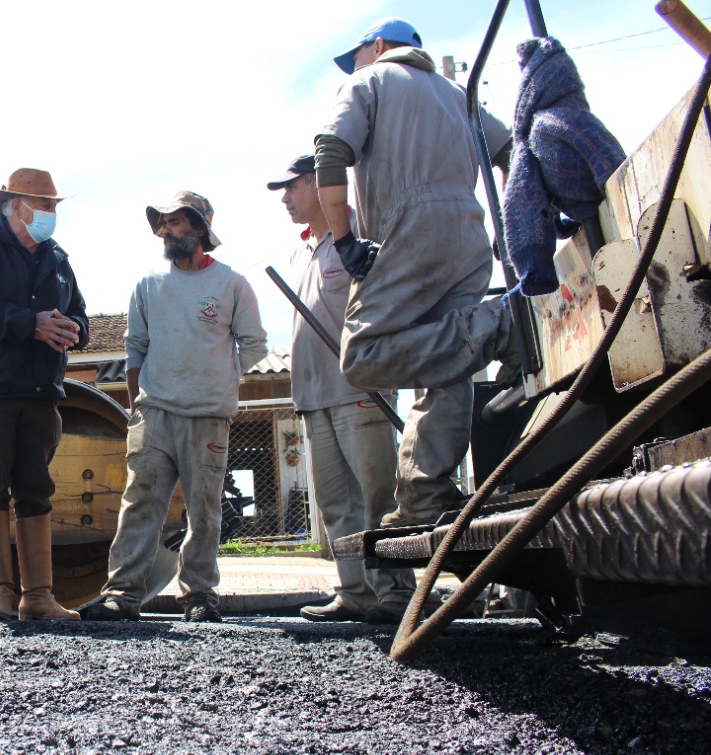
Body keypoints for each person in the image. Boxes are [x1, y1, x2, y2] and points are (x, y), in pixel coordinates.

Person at [315, 17, 515, 528]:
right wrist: (512, 226)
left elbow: (332, 151)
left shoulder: (369, 81)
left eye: (357, 53)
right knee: (449, 367)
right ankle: (425, 495)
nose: (355, 64)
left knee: (362, 358)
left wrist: (343, 240)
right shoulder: (457, 94)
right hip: (467, 237)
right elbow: (513, 152)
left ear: (377, 47)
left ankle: (498, 325)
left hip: (405, 229)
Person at [82, 191, 267, 623]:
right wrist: (137, 405)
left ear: (200, 229)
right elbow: (135, 349)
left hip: (207, 417)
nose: (166, 229)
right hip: (154, 414)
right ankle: (122, 595)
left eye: (176, 222)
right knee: (140, 502)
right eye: (162, 222)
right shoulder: (148, 284)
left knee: (205, 509)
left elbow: (255, 345)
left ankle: (199, 596)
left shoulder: (232, 284)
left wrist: (218, 374)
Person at [270, 154, 415, 624]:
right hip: (313, 396)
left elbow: (390, 304)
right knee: (336, 503)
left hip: (360, 388)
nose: (286, 198)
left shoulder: (359, 237)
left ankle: (394, 591)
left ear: (317, 183)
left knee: (377, 496)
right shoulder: (300, 250)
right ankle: (355, 591)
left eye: (291, 187)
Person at [0, 168, 88, 621]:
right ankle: (0, 595)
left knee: (36, 489)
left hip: (41, 391)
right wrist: (31, 323)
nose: (51, 213)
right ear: (16, 205)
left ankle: (39, 597)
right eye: (46, 204)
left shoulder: (59, 258)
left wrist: (74, 331)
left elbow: (80, 315)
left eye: (52, 206)